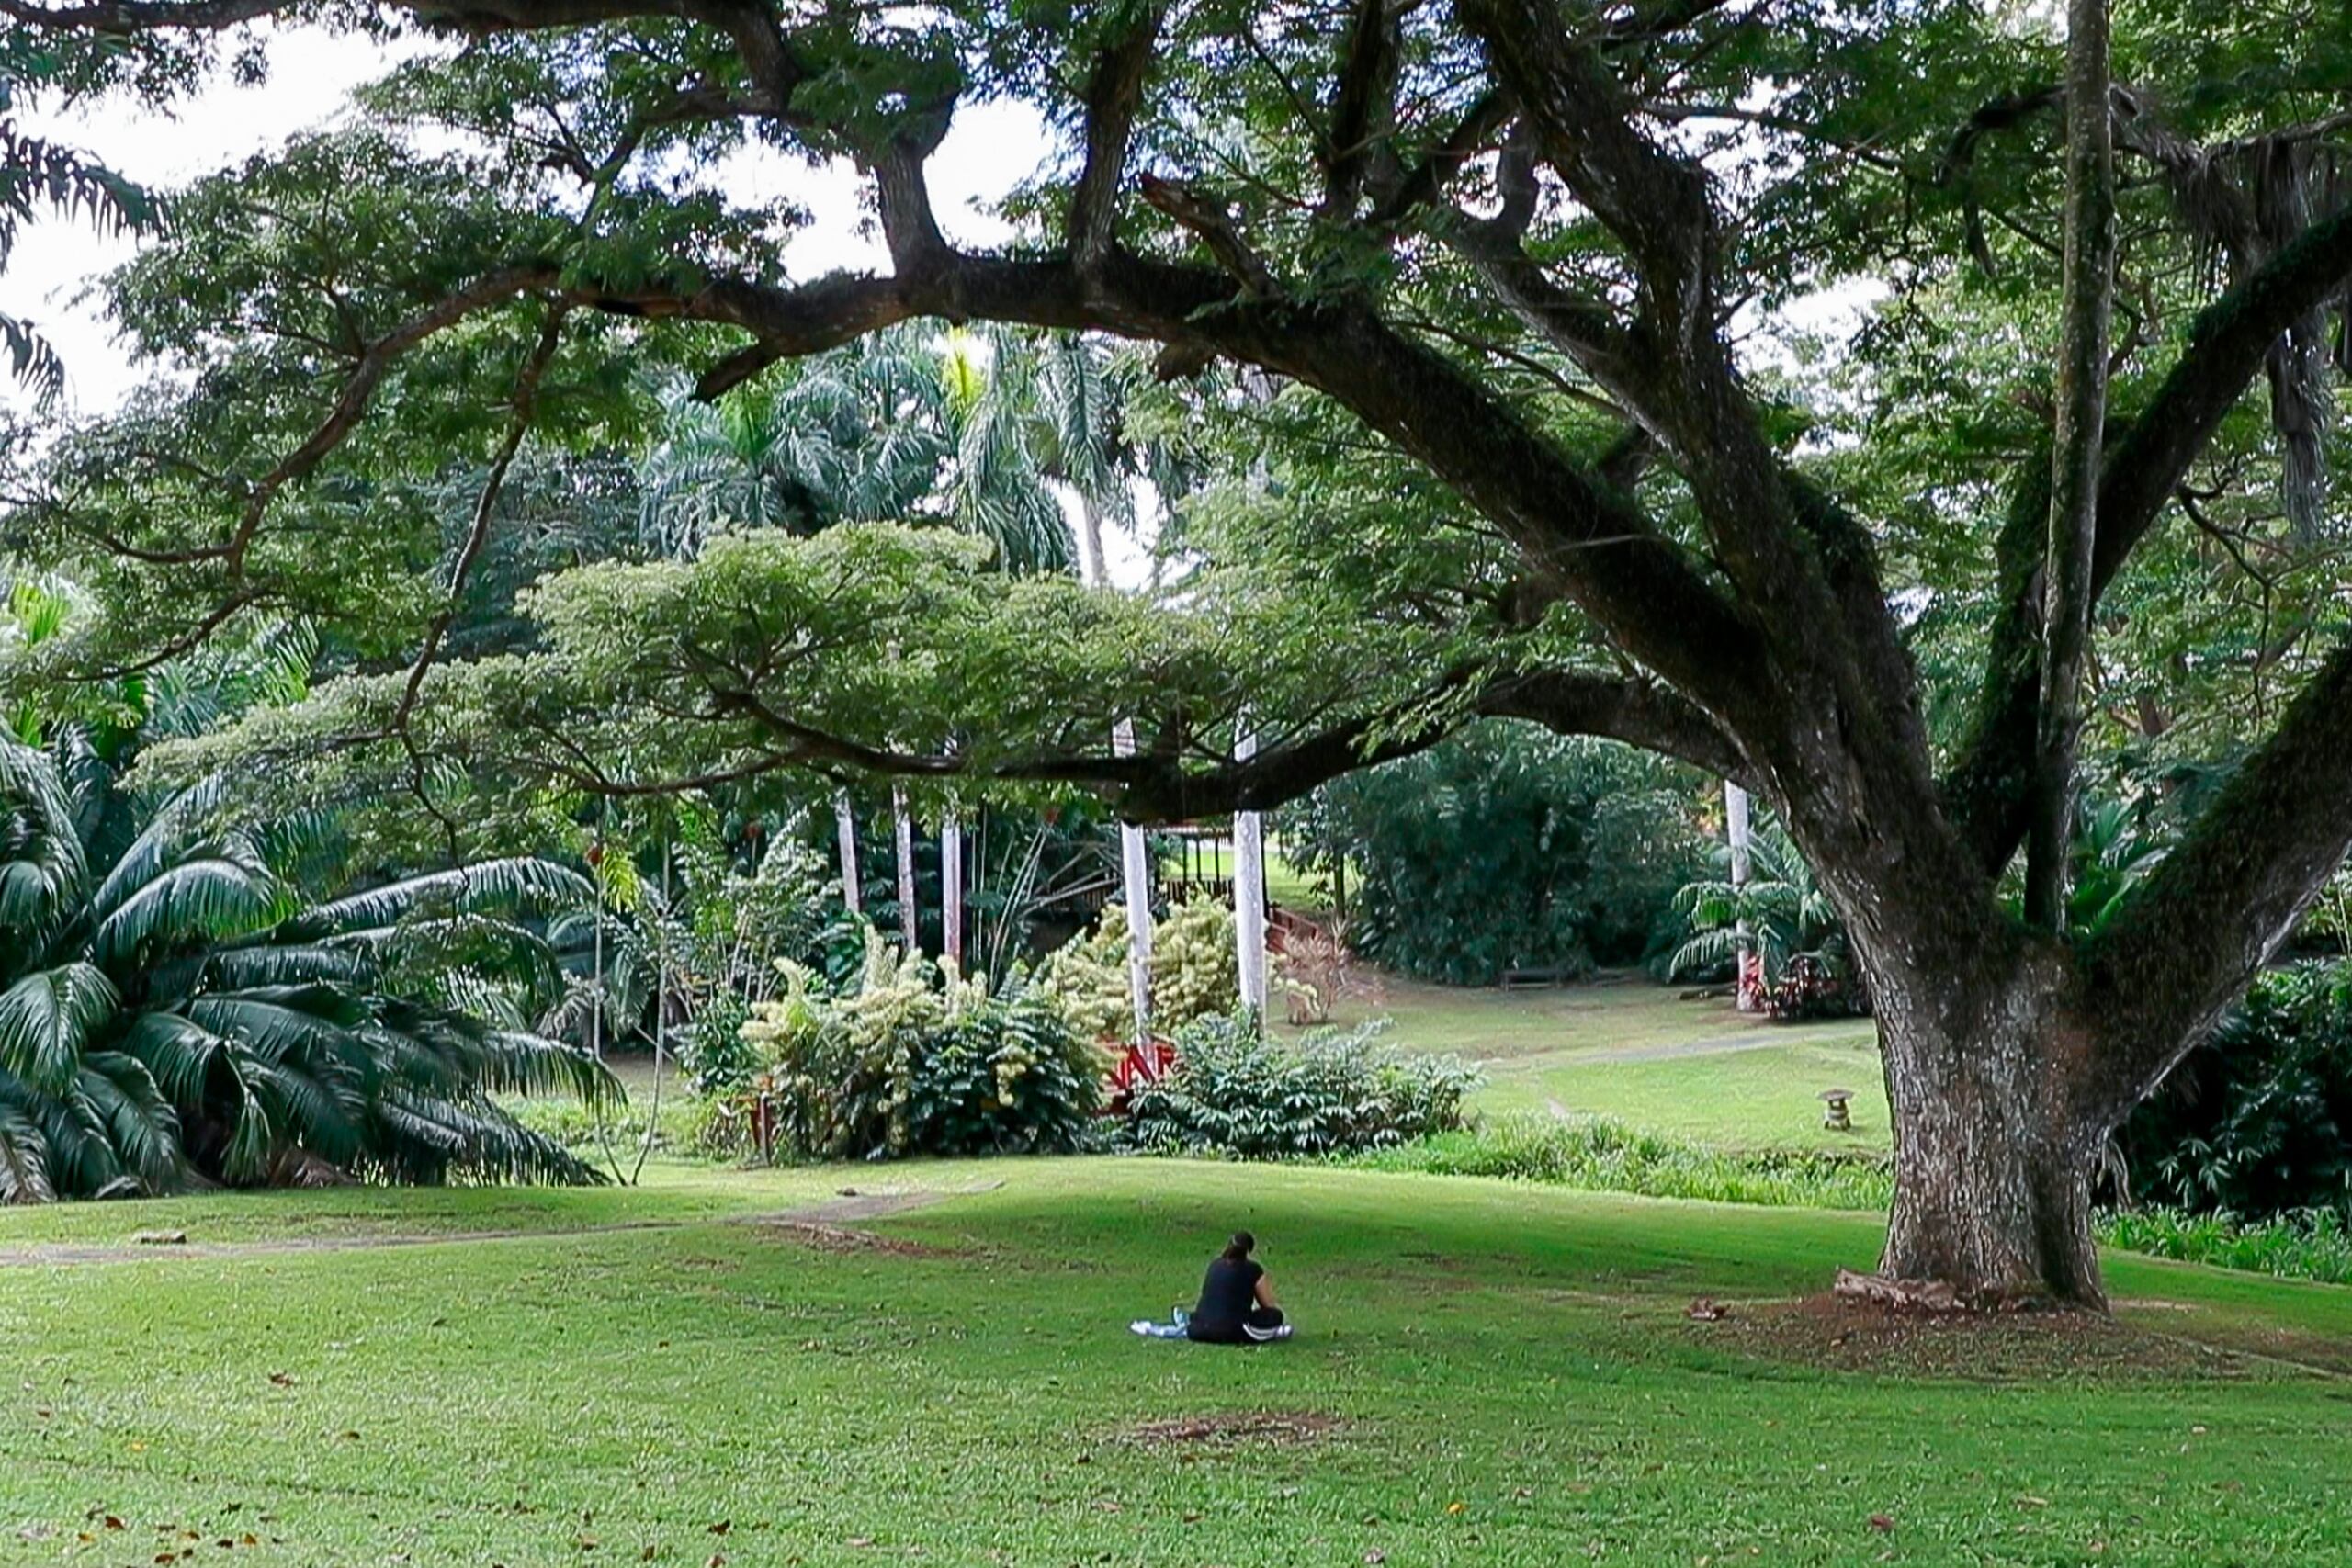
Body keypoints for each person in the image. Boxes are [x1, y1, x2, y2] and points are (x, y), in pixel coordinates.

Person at [1185, 1230, 1287, 1344]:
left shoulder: (1215, 1265)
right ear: (1248, 1251)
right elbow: (1268, 1306)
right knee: (1276, 1316)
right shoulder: (1253, 1269)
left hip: (1197, 1329)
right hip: (1232, 1331)